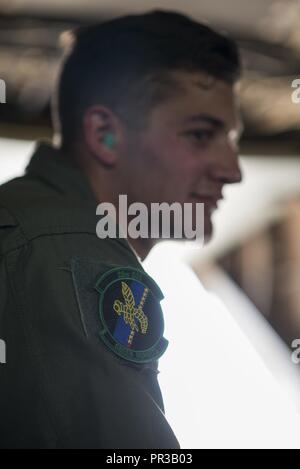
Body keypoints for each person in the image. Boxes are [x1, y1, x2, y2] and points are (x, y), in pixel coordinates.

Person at [0, 10, 243, 449]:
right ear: (105, 135)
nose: (232, 171)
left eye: (232, 140)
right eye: (201, 135)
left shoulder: (31, 223)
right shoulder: (69, 251)